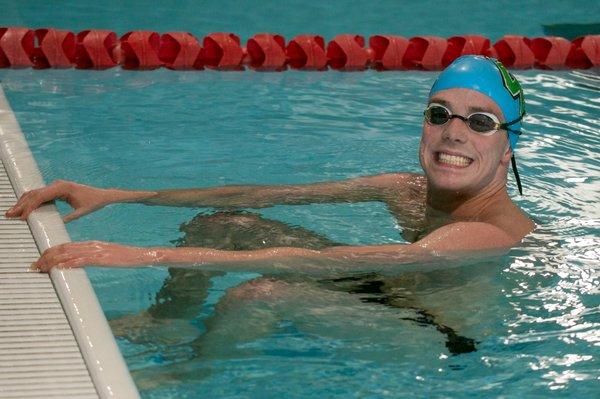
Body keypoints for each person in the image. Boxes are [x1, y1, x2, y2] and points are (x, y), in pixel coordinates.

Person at [7, 55, 534, 274]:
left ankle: (188, 377)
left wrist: (141, 255)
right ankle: (166, 326)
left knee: (260, 293)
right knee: (223, 223)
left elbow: (347, 261)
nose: (453, 132)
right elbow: (261, 194)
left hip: (435, 332)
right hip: (383, 286)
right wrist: (115, 196)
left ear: (507, 147)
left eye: (481, 122)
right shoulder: (406, 189)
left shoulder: (488, 231)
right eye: (439, 113)